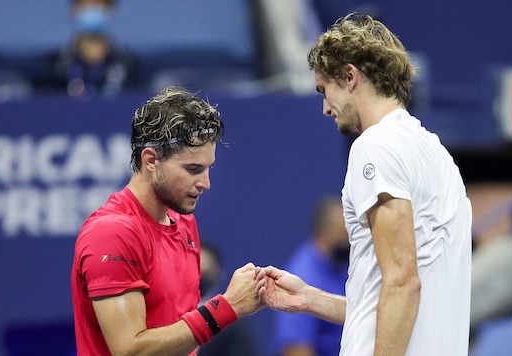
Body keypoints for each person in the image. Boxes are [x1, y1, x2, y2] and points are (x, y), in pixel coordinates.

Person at [256, 13, 472, 356]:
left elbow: (402, 282)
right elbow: (393, 302)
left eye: (324, 91)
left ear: (350, 76)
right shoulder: (437, 154)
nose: (326, 108)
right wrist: (311, 299)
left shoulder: (375, 146)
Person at [71, 86, 264, 356]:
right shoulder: (111, 233)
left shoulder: (184, 223)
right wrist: (227, 308)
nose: (205, 183)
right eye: (193, 169)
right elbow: (130, 351)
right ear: (151, 160)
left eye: (209, 168)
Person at [273, 196, 348, 356]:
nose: (349, 241)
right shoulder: (302, 277)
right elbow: (296, 349)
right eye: (343, 233)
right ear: (322, 232)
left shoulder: (344, 266)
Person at [37, 0, 145, 98]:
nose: (92, 10)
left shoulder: (130, 65)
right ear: (72, 10)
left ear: (112, 11)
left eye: (99, 5)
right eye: (86, 5)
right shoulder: (54, 66)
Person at [198, 240, 258, 356]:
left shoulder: (232, 326)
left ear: (219, 273)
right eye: (196, 271)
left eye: (205, 273)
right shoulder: (164, 315)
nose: (200, 279)